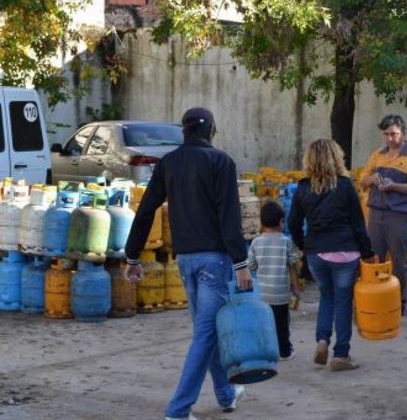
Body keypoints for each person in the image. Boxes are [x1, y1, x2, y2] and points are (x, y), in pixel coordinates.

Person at [124, 107, 252, 420]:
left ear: (183, 131)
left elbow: (146, 210)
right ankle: (178, 411)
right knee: (206, 335)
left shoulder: (169, 163)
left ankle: (225, 393)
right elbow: (229, 217)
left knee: (206, 331)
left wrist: (132, 255)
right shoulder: (221, 162)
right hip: (214, 262)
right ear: (212, 131)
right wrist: (241, 262)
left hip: (185, 261)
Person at [288, 139, 375, 372]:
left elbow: (293, 223)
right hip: (345, 251)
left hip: (317, 253)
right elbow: (358, 224)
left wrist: (304, 246)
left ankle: (322, 340)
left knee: (326, 297)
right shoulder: (345, 185)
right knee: (343, 302)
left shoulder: (303, 187)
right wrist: (368, 254)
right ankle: (341, 355)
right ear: (336, 158)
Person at [359, 114, 407, 314]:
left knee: (398, 260)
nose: (390, 138)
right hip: (376, 214)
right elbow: (363, 178)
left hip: (399, 215)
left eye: (394, 134)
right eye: (387, 134)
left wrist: (394, 186)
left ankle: (399, 302)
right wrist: (372, 179)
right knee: (373, 258)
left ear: (403, 134)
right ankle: (374, 298)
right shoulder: (377, 155)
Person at [246, 200, 300, 360]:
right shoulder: (286, 241)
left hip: (263, 294)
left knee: (265, 324)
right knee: (282, 324)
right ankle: (284, 352)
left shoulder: (256, 242)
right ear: (280, 222)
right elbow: (292, 267)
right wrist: (296, 289)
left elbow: (251, 267)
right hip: (281, 294)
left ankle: (266, 351)